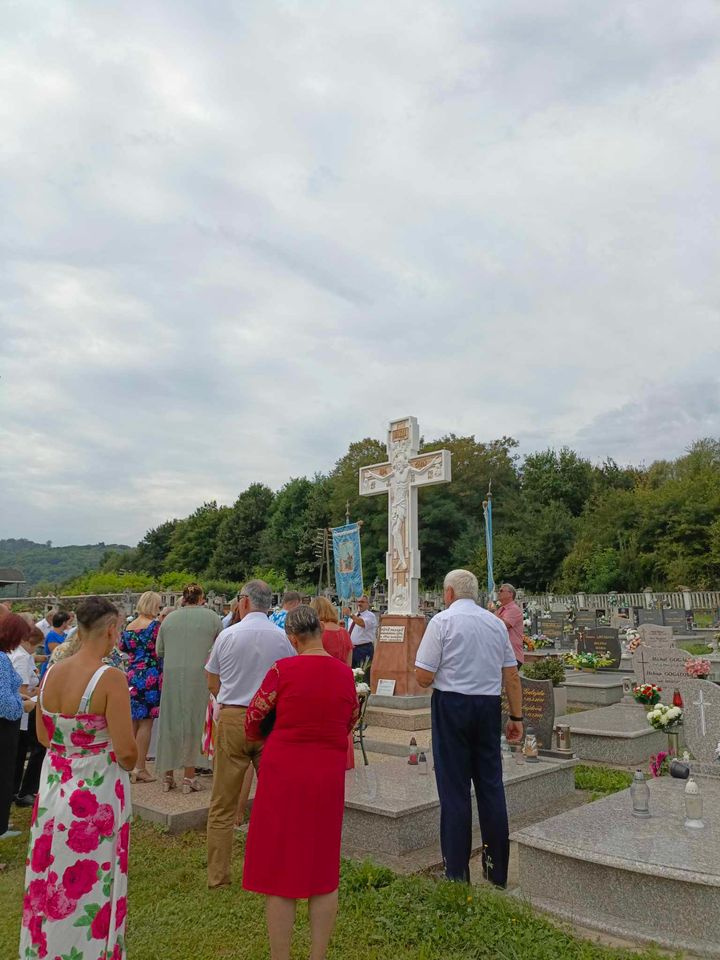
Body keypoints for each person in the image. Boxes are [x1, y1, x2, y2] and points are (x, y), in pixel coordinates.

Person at [19, 596, 136, 959]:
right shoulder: (110, 678)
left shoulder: (52, 672)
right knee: (94, 881)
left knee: (51, 877)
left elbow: (44, 736)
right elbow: (127, 752)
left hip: (54, 789)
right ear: (111, 630)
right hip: (96, 796)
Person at [243, 606, 358, 960]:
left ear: (293, 639)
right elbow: (350, 719)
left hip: (284, 772)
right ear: (321, 631)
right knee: (323, 865)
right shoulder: (345, 674)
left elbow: (253, 717)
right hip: (326, 774)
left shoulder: (283, 670)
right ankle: (317, 955)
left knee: (281, 868)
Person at [414, 569, 524, 888]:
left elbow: (423, 676)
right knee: (490, 786)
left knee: (454, 790)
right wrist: (516, 718)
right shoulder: (495, 623)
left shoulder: (442, 622)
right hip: (487, 706)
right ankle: (496, 871)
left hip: (452, 705)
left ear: (449, 593)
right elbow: (511, 674)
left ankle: (456, 874)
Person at [205, 579, 295, 888]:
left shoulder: (228, 635)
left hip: (233, 716)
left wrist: (226, 698)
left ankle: (218, 875)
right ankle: (274, 869)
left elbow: (212, 679)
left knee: (222, 802)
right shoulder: (282, 638)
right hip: (269, 719)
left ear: (244, 601)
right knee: (275, 799)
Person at [155, 583, 222, 794]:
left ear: (183, 598)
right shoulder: (212, 618)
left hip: (173, 675)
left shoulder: (169, 619)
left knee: (171, 721)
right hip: (200, 674)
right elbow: (220, 647)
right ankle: (189, 776)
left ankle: (167, 775)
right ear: (202, 598)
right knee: (195, 721)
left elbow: (159, 650)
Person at [119, 590, 163, 783]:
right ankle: (140, 767)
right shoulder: (154, 627)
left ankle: (128, 765)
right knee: (146, 723)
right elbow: (161, 649)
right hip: (150, 674)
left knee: (133, 721)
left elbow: (123, 648)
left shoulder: (129, 626)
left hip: (132, 674)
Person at [1, 614, 35, 841]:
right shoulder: (2, 659)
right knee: (3, 774)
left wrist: (16, 696)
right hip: (4, 727)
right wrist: (24, 705)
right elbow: (4, 704)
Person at [311, 596, 355, 770]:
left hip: (322, 683)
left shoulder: (318, 634)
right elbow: (349, 664)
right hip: (342, 684)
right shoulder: (344, 632)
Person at [11, 626, 44, 805]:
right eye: (35, 646)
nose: (35, 650)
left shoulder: (23, 655)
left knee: (19, 753)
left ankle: (16, 790)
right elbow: (22, 690)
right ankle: (20, 791)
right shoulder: (22, 658)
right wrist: (38, 693)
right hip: (25, 711)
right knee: (23, 752)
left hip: (25, 710)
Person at [491, 583, 525, 665]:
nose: (498, 592)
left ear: (510, 594)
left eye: (501, 590)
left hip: (512, 655)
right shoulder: (501, 609)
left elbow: (502, 625)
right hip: (503, 654)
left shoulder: (514, 609)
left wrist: (493, 612)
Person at [342, 596, 377, 668]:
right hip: (352, 649)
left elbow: (362, 623)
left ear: (367, 604)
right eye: (358, 602)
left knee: (362, 672)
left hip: (364, 649)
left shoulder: (370, 616)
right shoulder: (354, 616)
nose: (359, 604)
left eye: (362, 602)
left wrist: (350, 615)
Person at [40, 611, 73, 676]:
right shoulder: (52, 636)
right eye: (68, 622)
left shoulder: (64, 635)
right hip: (52, 668)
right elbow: (56, 654)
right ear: (64, 623)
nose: (69, 624)